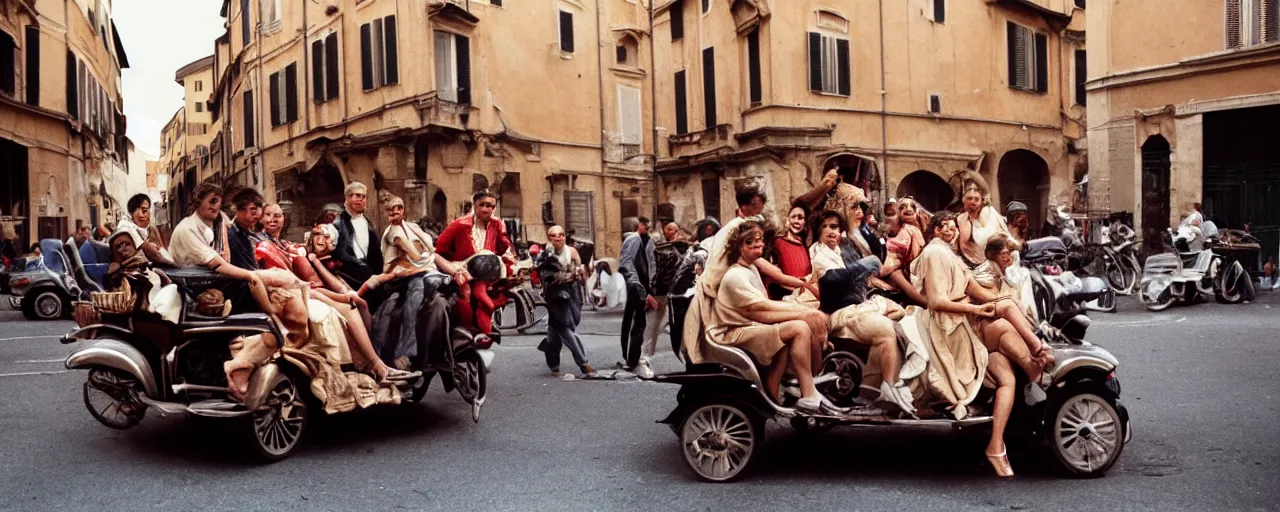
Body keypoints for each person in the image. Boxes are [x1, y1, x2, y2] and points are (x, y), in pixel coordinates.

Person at [914, 213, 1037, 477]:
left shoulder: (951, 255)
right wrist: (981, 309)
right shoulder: (935, 253)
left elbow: (977, 290)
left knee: (1007, 378)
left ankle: (996, 445)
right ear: (934, 231)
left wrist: (997, 302)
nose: (949, 230)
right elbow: (936, 302)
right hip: (950, 329)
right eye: (942, 226)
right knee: (1004, 321)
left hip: (964, 321)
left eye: (951, 226)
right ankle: (1037, 364)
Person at [694, 221, 833, 412]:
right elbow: (761, 310)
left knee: (802, 322)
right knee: (799, 328)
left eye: (759, 241)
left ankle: (781, 387)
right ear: (739, 246)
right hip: (733, 332)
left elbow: (766, 304)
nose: (758, 245)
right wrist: (804, 313)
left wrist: (805, 311)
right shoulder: (735, 276)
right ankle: (808, 392)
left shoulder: (749, 269)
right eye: (751, 242)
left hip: (748, 325)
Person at [376, 195, 465, 372]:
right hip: (403, 276)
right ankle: (407, 351)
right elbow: (409, 251)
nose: (396, 212)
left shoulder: (413, 227)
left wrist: (455, 271)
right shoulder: (391, 232)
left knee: (453, 289)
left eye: (399, 208)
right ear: (386, 212)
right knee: (416, 294)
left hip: (425, 269)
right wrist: (422, 259)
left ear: (403, 209)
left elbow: (432, 253)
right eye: (391, 209)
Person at [168, 183, 272, 314]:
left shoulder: (219, 221)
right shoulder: (187, 229)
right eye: (212, 201)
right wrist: (251, 275)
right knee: (248, 286)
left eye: (218, 202)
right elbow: (217, 264)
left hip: (211, 278)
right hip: (193, 285)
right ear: (198, 202)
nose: (216, 206)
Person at [435, 191, 515, 341]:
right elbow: (438, 251)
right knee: (465, 294)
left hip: (486, 272)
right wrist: (452, 270)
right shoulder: (460, 224)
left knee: (484, 297)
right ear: (474, 205)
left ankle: (484, 332)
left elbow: (506, 248)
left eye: (491, 206)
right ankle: (467, 332)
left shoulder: (497, 225)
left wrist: (509, 262)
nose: (487, 209)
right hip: (460, 270)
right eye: (483, 205)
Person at [539, 225, 595, 377]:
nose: (558, 238)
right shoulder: (545, 255)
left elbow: (581, 270)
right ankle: (584, 364)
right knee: (565, 327)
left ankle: (553, 364)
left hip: (571, 293)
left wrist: (579, 273)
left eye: (561, 235)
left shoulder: (572, 251)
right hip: (555, 296)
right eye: (554, 235)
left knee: (554, 332)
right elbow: (544, 275)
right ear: (549, 237)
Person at [638, 221, 687, 377]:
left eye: (676, 229)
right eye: (671, 229)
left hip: (674, 293)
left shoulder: (680, 246)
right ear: (666, 230)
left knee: (679, 325)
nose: (674, 232)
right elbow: (652, 269)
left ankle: (687, 359)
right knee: (652, 326)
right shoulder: (656, 244)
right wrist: (648, 292)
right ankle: (643, 358)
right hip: (658, 293)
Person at [618, 216, 656, 374]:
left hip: (645, 286)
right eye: (643, 224)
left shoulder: (649, 240)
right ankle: (630, 358)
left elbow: (652, 263)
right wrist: (637, 285)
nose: (646, 226)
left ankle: (631, 358)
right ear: (637, 225)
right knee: (633, 322)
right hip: (636, 286)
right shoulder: (633, 240)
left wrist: (651, 287)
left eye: (647, 224)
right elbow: (626, 262)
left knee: (638, 322)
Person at [954, 173, 1015, 269]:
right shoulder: (959, 220)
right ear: (964, 200)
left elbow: (1006, 239)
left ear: (981, 201)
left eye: (976, 199)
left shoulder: (991, 215)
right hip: (968, 266)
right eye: (969, 198)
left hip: (994, 264)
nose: (972, 201)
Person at [333, 182, 384, 288]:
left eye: (363, 196)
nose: (360, 199)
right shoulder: (337, 223)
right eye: (356, 195)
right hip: (349, 275)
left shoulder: (368, 222)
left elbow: (376, 253)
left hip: (370, 272)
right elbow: (340, 253)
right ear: (347, 199)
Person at [117, 193, 176, 266]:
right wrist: (171, 264)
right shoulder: (126, 226)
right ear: (131, 213)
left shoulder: (149, 229)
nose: (143, 215)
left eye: (145, 211)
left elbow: (160, 248)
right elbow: (149, 252)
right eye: (142, 211)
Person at [768, 205, 812, 299]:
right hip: (785, 294)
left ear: (805, 223)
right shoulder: (777, 242)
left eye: (800, 218)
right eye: (793, 217)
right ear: (788, 220)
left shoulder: (807, 247)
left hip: (806, 292)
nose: (796, 221)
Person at [227, 188, 266, 271]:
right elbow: (247, 268)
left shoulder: (250, 232)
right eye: (252, 210)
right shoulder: (233, 235)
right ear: (239, 210)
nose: (256, 215)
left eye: (257, 209)